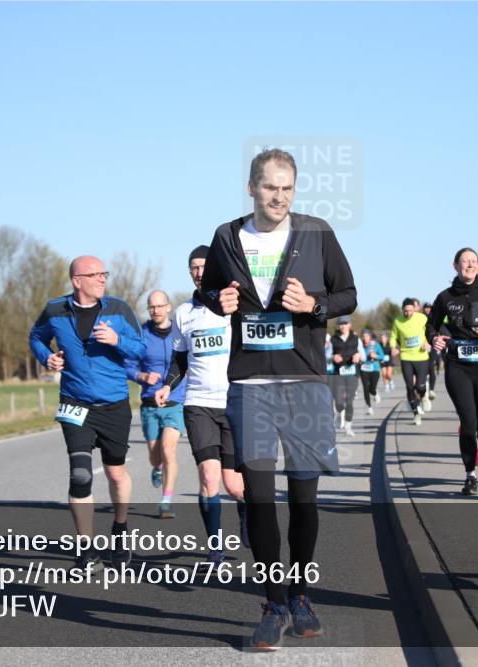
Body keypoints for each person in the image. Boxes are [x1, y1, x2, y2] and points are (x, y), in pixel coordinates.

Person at [199, 148, 356, 650]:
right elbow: (212, 292)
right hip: (250, 385)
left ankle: (301, 594)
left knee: (305, 500)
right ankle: (271, 603)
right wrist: (215, 300)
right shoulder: (226, 236)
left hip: (306, 383)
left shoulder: (316, 232)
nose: (279, 197)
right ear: (251, 187)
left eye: (287, 188)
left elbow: (348, 294)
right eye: (270, 187)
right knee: (260, 499)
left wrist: (314, 305)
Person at [29, 255, 146, 570]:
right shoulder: (55, 310)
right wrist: (47, 358)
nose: (102, 278)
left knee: (115, 473)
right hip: (74, 403)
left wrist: (117, 340)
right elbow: (36, 337)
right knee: (80, 476)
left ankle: (120, 529)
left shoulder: (119, 309)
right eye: (94, 274)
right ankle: (86, 551)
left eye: (104, 273)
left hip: (114, 405)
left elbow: (140, 349)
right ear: (76, 280)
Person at [154, 245, 247, 564]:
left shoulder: (235, 307)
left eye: (203, 266)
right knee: (209, 477)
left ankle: (245, 511)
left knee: (235, 485)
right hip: (198, 404)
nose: (197, 272)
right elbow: (179, 360)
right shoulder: (183, 313)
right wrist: (167, 385)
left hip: (233, 403)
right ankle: (216, 546)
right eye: (192, 267)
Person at [427, 248, 478, 496]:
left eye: (473, 261)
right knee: (467, 425)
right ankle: (470, 475)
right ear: (455, 265)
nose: (469, 265)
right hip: (458, 366)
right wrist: (434, 338)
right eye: (464, 261)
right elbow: (431, 325)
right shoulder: (445, 297)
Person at [127, 289, 184, 519]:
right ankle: (157, 468)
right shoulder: (141, 335)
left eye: (160, 306)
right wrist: (141, 376)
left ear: (168, 307)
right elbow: (128, 365)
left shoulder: (179, 333)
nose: (156, 310)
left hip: (176, 401)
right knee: (156, 455)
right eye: (152, 307)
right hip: (150, 403)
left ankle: (166, 501)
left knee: (169, 450)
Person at [390, 297, 431, 425]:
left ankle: (424, 395)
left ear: (414, 309)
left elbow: (431, 331)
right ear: (402, 310)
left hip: (421, 357)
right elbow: (393, 336)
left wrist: (428, 342)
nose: (408, 313)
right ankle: (416, 413)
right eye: (405, 311)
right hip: (406, 357)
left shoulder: (422, 318)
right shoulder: (398, 321)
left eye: (410, 310)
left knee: (420, 386)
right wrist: (393, 348)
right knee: (409, 386)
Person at [330, 315, 362, 437]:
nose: (343, 326)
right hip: (338, 373)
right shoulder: (334, 339)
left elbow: (363, 354)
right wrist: (333, 357)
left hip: (352, 373)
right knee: (338, 401)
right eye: (341, 324)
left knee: (349, 400)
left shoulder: (356, 339)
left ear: (350, 325)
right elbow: (326, 355)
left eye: (345, 323)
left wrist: (358, 356)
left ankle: (348, 426)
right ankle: (339, 413)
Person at [359, 329, 383, 415]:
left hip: (374, 368)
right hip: (363, 368)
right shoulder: (359, 345)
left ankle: (375, 393)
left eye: (367, 336)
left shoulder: (375, 345)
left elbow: (382, 356)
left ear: (370, 337)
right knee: (365, 388)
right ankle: (369, 407)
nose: (365, 338)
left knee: (372, 388)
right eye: (363, 336)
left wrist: (375, 356)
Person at [422, 302, 441, 401]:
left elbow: (439, 329)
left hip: (433, 345)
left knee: (431, 367)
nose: (428, 309)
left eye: (429, 308)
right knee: (424, 368)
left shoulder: (435, 317)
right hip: (422, 346)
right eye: (426, 308)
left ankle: (432, 390)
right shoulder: (420, 318)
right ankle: (423, 388)